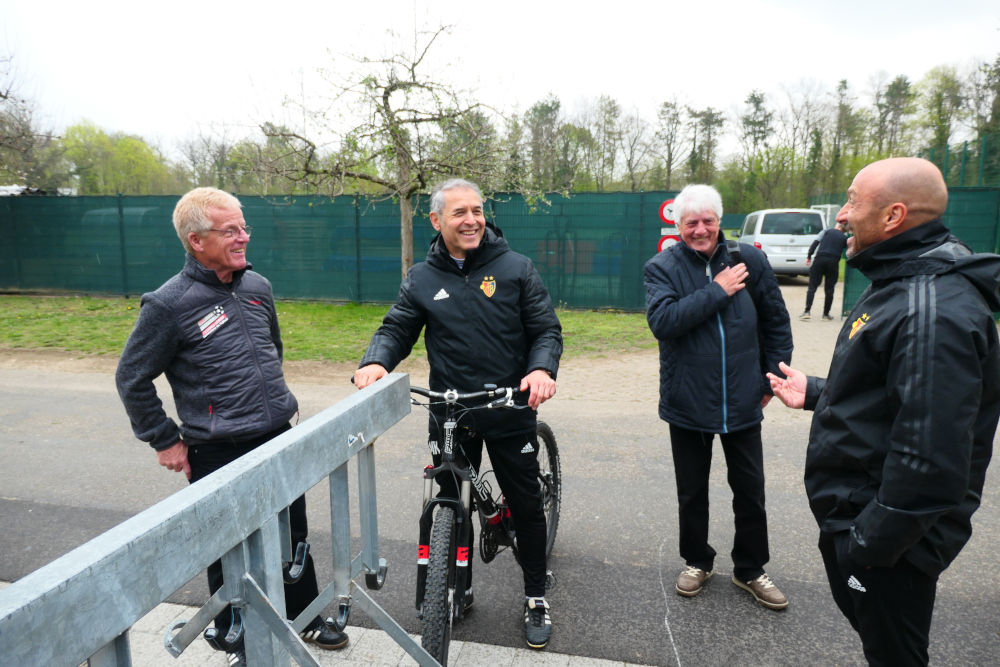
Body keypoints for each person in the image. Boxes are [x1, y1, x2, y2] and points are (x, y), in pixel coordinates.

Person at [768, 157, 1000, 667]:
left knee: (895, 656)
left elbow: (929, 462)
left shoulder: (930, 307)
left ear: (894, 216)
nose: (842, 216)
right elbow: (890, 399)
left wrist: (865, 547)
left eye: (852, 200)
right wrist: (816, 392)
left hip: (890, 546)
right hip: (870, 529)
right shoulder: (901, 279)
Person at [115, 187, 348, 667]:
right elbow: (131, 378)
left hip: (277, 434)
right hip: (218, 450)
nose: (244, 237)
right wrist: (164, 439)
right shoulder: (168, 304)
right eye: (231, 231)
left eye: (244, 227)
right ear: (196, 240)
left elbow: (272, 352)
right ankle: (235, 636)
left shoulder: (258, 286)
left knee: (291, 534)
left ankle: (302, 615)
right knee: (228, 547)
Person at [353, 178, 562, 649]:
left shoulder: (516, 268)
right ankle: (453, 588)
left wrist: (541, 370)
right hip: (450, 412)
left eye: (477, 210)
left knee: (526, 503)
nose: (471, 220)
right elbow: (398, 327)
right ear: (436, 220)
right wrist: (376, 360)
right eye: (459, 213)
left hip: (509, 406)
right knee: (448, 502)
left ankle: (534, 595)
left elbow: (547, 331)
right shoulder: (422, 277)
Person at [644, 184, 793, 610]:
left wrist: (769, 381)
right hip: (687, 398)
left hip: (743, 396)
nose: (701, 229)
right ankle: (697, 561)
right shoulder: (662, 267)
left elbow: (776, 323)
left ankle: (750, 569)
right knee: (692, 491)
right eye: (691, 222)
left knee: (750, 490)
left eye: (708, 220)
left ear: (719, 222)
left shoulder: (751, 261)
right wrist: (719, 289)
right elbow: (664, 321)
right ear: (678, 225)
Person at [801, 222, 848, 321]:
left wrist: (809, 255)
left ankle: (807, 311)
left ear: (838, 226)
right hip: (833, 262)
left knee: (812, 287)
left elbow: (815, 243)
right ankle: (826, 315)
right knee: (829, 289)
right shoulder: (844, 238)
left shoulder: (826, 231)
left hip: (820, 259)